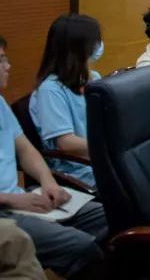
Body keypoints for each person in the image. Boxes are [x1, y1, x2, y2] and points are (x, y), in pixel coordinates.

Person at [0, 35, 108, 279]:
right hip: (7, 209)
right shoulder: (51, 88)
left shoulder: (0, 103)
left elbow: (26, 150)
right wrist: (11, 200)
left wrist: (48, 182)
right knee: (81, 246)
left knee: (114, 216)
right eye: (1, 60)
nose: (8, 66)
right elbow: (65, 142)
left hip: (23, 199)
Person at [29, 15, 103, 188]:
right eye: (96, 41)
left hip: (101, 162)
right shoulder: (51, 90)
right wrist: (108, 147)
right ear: (79, 48)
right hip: (78, 171)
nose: (99, 45)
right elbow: (66, 143)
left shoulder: (93, 79)